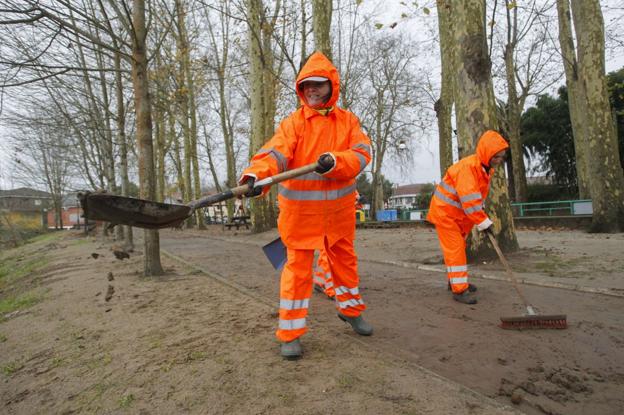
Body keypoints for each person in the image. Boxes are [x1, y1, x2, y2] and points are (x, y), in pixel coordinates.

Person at [239, 51, 373, 359]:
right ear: (301, 88)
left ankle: (351, 311)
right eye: (307, 85)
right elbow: (274, 153)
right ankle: (290, 333)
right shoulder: (294, 124)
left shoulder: (349, 122)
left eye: (318, 85)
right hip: (300, 218)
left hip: (338, 218)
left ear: (331, 86)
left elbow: (363, 154)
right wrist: (254, 176)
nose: (312, 90)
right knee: (297, 274)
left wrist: (336, 161)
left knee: (345, 268)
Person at [426, 130, 509, 305]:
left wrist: (481, 216)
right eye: (496, 156)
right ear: (487, 153)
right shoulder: (468, 169)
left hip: (456, 216)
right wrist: (484, 222)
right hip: (446, 214)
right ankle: (459, 290)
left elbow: (476, 198)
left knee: (456, 249)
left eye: (501, 157)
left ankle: (455, 282)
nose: (499, 160)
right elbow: (470, 202)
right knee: (455, 250)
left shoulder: (484, 169)